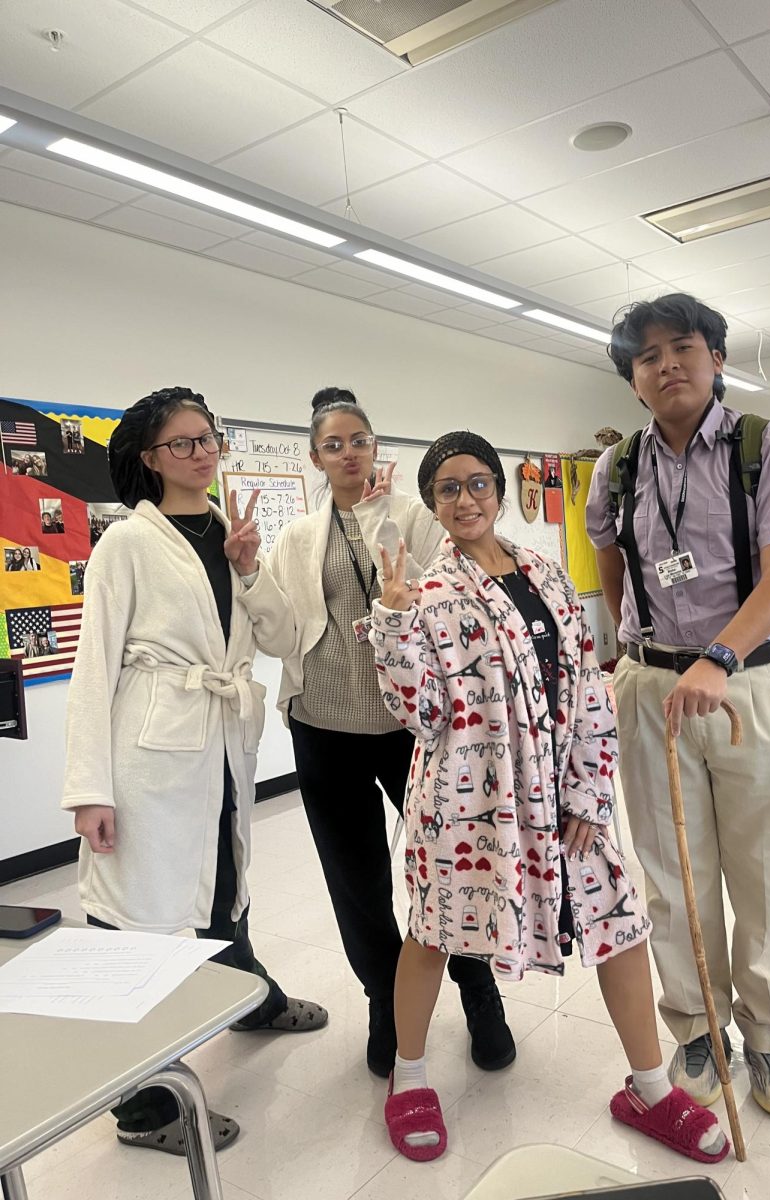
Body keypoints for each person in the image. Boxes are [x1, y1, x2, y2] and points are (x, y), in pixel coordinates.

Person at [370, 430, 729, 1165]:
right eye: (447, 488)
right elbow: (422, 715)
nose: (464, 499)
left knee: (619, 924)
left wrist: (592, 792)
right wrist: (396, 621)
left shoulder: (548, 573)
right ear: (432, 503)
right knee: (433, 931)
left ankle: (650, 1089)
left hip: (567, 797)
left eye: (476, 483)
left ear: (499, 492)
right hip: (470, 808)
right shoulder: (428, 592)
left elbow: (591, 685)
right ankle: (408, 1079)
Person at [62, 386, 327, 1156]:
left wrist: (248, 569)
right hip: (147, 754)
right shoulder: (126, 544)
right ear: (150, 459)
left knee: (223, 886)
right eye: (183, 443)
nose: (203, 452)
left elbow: (279, 636)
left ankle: (248, 1001)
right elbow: (92, 664)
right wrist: (88, 791)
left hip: (219, 747)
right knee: (133, 920)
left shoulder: (229, 533)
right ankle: (144, 1108)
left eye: (208, 438)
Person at [586, 294, 770, 1118]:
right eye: (647, 357)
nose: (667, 365)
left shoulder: (767, 446)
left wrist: (719, 657)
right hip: (655, 689)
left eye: (682, 347)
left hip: (754, 682)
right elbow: (611, 562)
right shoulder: (618, 467)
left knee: (764, 872)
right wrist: (629, 651)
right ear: (633, 381)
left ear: (715, 358)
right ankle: (696, 1025)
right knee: (670, 875)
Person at [239, 387, 516, 1080]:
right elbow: (276, 632)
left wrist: (375, 521)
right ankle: (384, 1002)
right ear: (315, 458)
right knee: (356, 880)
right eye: (333, 445)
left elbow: (439, 596)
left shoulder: (415, 516)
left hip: (412, 728)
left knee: (452, 865)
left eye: (358, 440)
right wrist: (247, 571)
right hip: (323, 728)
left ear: (374, 448)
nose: (348, 453)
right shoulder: (299, 537)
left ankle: (477, 991)